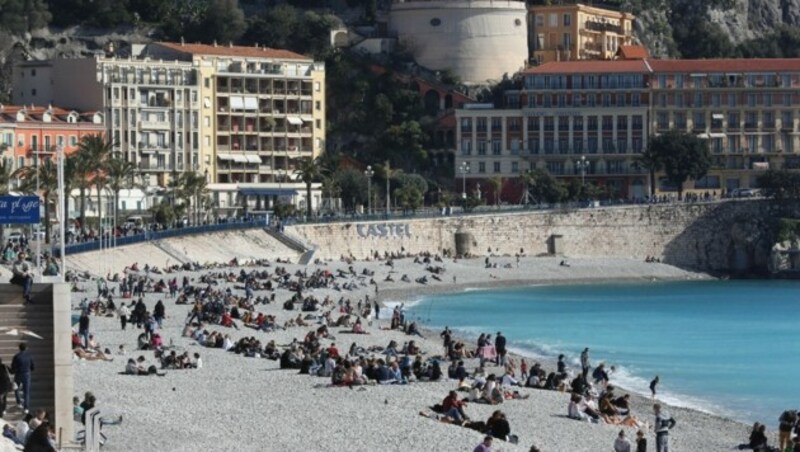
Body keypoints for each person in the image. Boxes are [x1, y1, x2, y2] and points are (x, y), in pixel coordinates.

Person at [11, 343, 34, 413]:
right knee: (26, 391)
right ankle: (26, 407)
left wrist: (13, 371)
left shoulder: (16, 356)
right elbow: (32, 366)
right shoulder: (29, 356)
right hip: (26, 374)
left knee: (16, 388)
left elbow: (13, 366)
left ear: (19, 348)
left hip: (18, 374)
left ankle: (19, 402)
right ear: (26, 348)